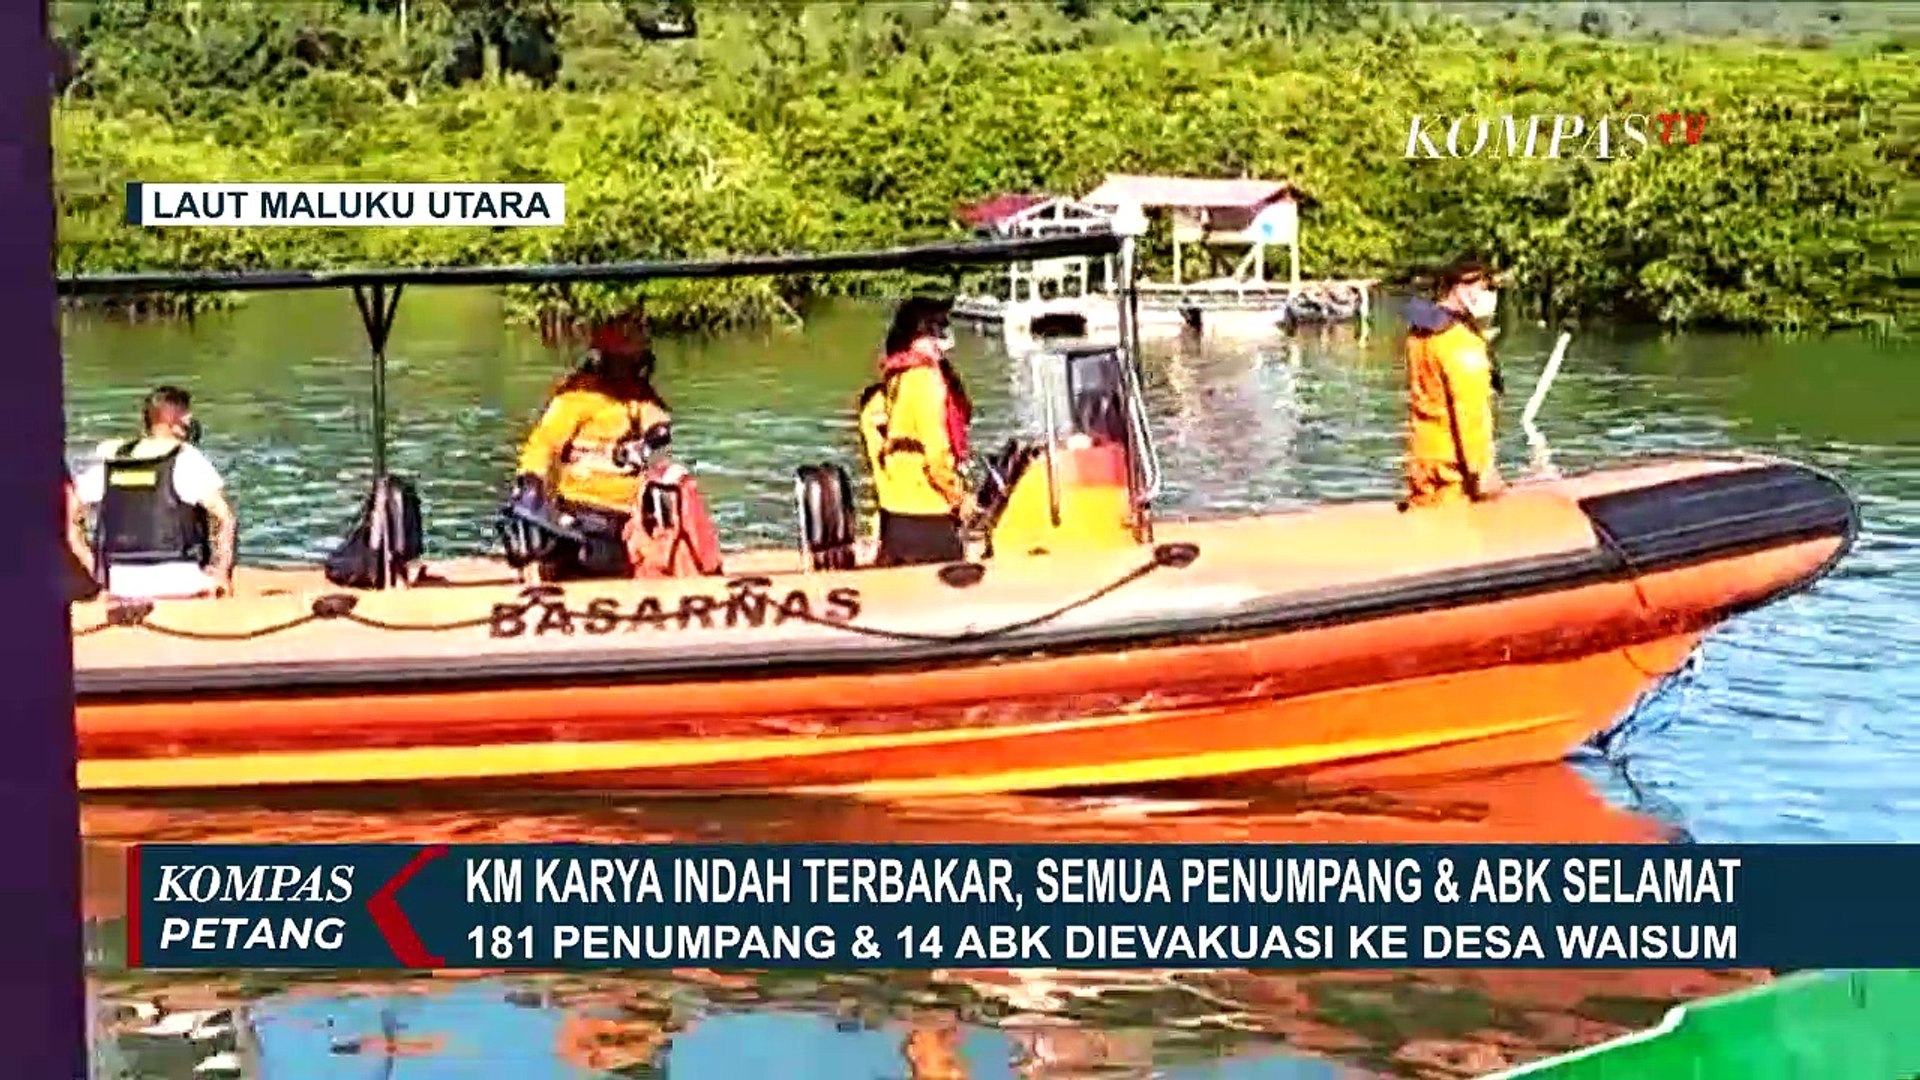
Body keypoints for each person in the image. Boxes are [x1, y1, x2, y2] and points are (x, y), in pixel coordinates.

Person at [502, 317, 679, 581]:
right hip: (584, 504)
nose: (632, 365)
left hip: (628, 509)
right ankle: (556, 554)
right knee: (587, 548)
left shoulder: (638, 394)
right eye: (626, 358)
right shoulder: (577, 395)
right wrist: (531, 477)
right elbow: (545, 441)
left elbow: (655, 419)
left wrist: (653, 436)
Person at [74, 385, 237, 599]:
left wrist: (93, 566)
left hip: (119, 582)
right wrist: (221, 573)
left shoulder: (112, 460)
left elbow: (68, 517)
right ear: (177, 423)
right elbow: (225, 519)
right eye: (188, 417)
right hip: (182, 580)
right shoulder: (187, 458)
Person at [856, 297, 975, 567]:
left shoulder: (889, 384)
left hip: (894, 520)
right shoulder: (925, 380)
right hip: (930, 518)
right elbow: (937, 455)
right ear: (916, 336)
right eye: (936, 329)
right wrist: (959, 497)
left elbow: (876, 452)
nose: (942, 339)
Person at [1401, 258, 1507, 508]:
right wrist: (1481, 469)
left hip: (1423, 457)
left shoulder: (1420, 332)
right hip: (1454, 468)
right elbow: (1469, 411)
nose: (1489, 297)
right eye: (1485, 288)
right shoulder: (1460, 342)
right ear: (1462, 287)